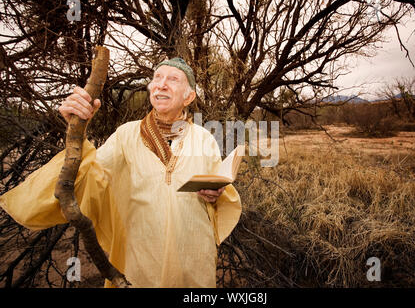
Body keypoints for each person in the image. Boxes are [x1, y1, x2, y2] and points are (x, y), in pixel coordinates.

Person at [0, 57, 242, 288]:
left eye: (173, 79)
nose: (162, 84)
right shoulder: (127, 134)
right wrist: (77, 131)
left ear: (189, 97)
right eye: (157, 77)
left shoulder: (204, 138)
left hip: (194, 256)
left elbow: (218, 188)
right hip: (141, 256)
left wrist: (217, 194)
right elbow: (90, 176)